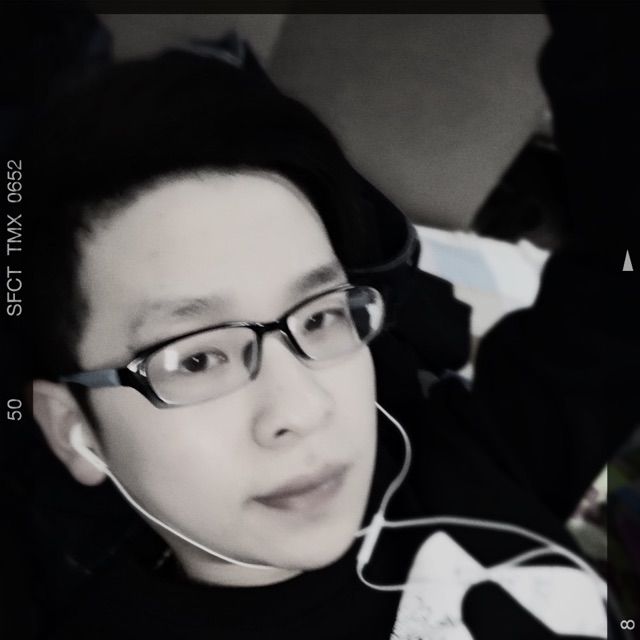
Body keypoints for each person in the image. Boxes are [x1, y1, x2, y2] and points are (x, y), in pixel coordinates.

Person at [18, 5, 639, 640]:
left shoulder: (470, 459)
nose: (305, 409)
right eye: (197, 358)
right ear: (74, 431)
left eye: (318, 318)